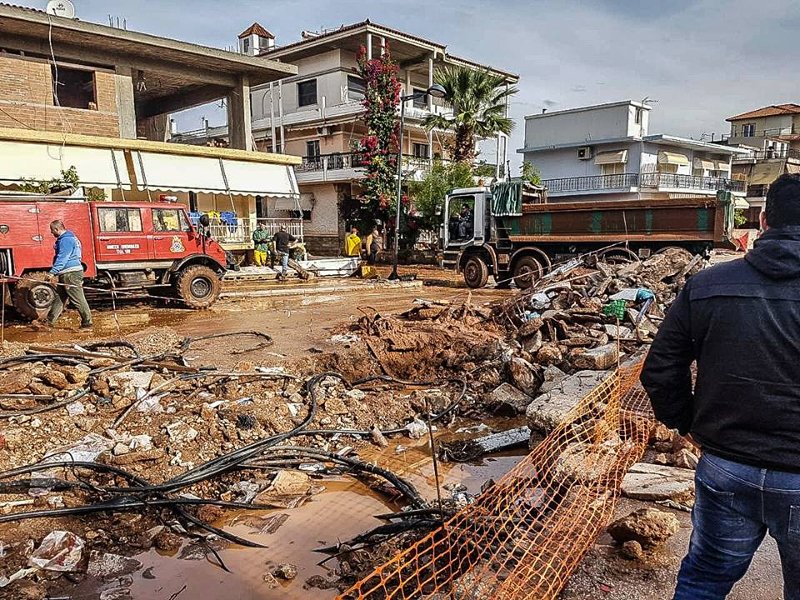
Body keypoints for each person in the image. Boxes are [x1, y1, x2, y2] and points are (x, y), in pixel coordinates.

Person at [640, 173, 800, 600]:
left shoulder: (707, 286)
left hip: (725, 467)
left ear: (763, 222)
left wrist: (688, 424)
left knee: (704, 581)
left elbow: (659, 370)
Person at [44, 220, 92, 329]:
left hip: (70, 274)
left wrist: (52, 272)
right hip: (68, 272)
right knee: (60, 298)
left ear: (56, 229)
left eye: (52, 230)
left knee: (77, 298)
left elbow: (63, 258)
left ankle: (87, 323)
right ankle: (48, 322)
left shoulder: (66, 240)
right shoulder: (71, 238)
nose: (51, 233)